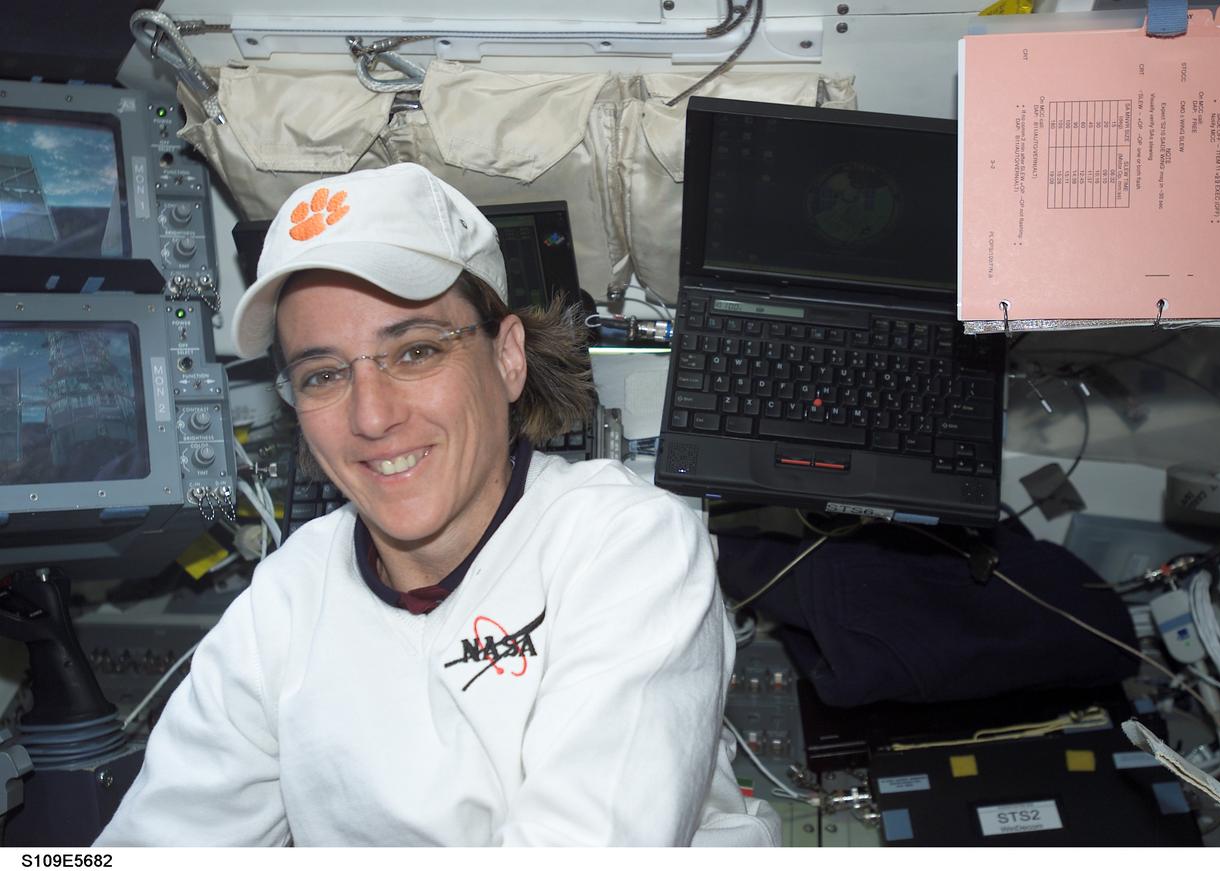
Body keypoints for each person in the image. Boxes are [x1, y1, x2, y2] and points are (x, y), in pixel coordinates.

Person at [96, 163, 780, 847]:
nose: (371, 416)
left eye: (416, 351)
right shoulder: (285, 600)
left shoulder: (623, 545)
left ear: (508, 357)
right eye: (324, 374)